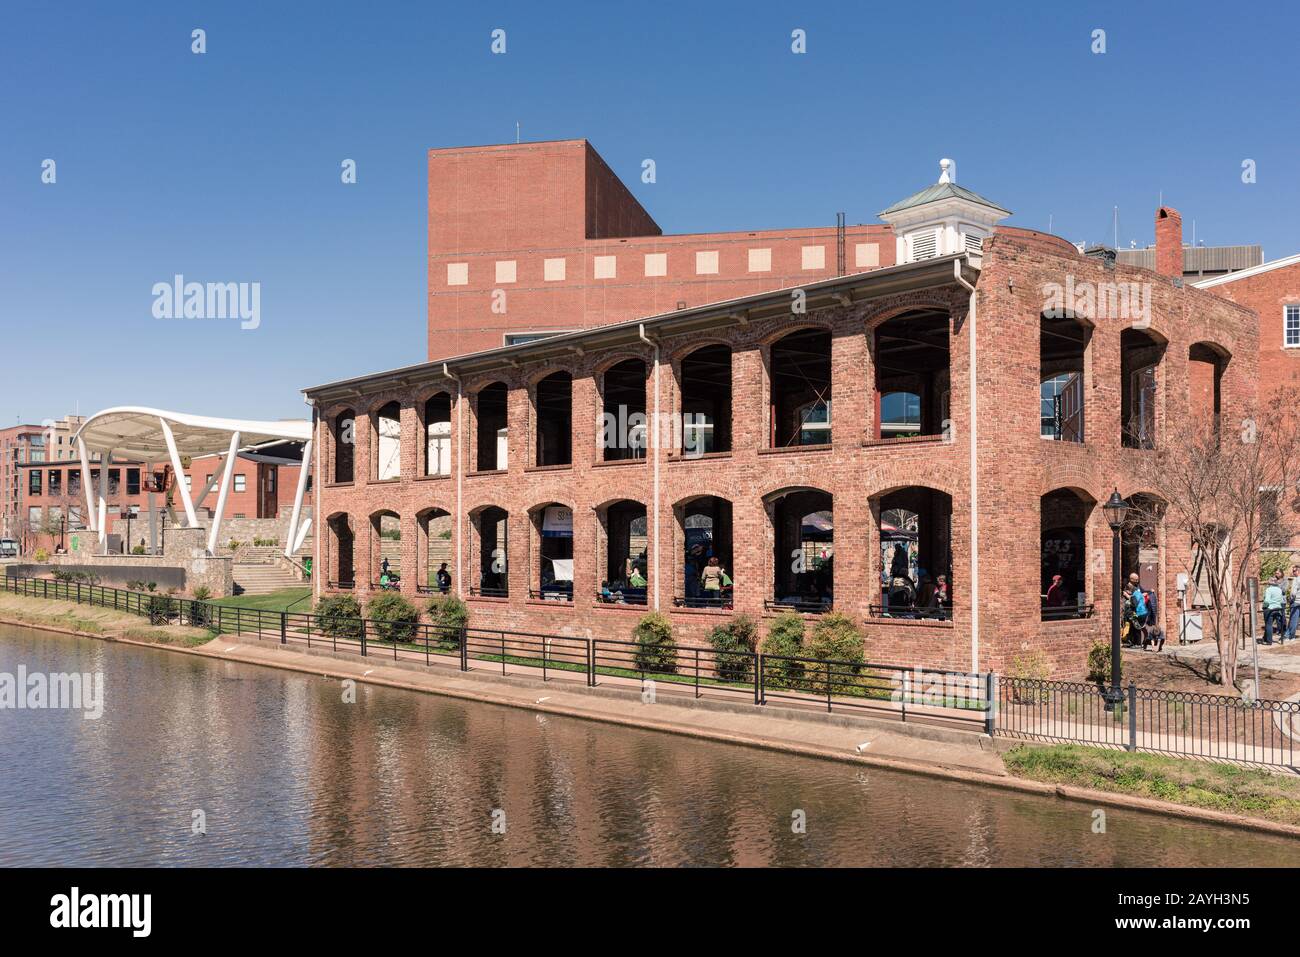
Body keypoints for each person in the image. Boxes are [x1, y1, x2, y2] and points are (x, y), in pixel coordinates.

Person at [1262, 573, 1286, 645]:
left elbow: (1267, 600)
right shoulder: (1279, 590)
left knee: (1268, 624)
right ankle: (1265, 638)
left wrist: (1264, 606)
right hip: (1278, 608)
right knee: (1270, 624)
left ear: (1270, 582)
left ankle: (1269, 641)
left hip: (1270, 609)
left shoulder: (1268, 589)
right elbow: (1282, 600)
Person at [1287, 564, 1300, 642]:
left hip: (1296, 601)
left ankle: (1291, 636)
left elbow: (1293, 592)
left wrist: (1291, 599)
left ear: (1298, 571)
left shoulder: (1296, 579)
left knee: (1293, 619)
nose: (1293, 572)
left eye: (1294, 571)